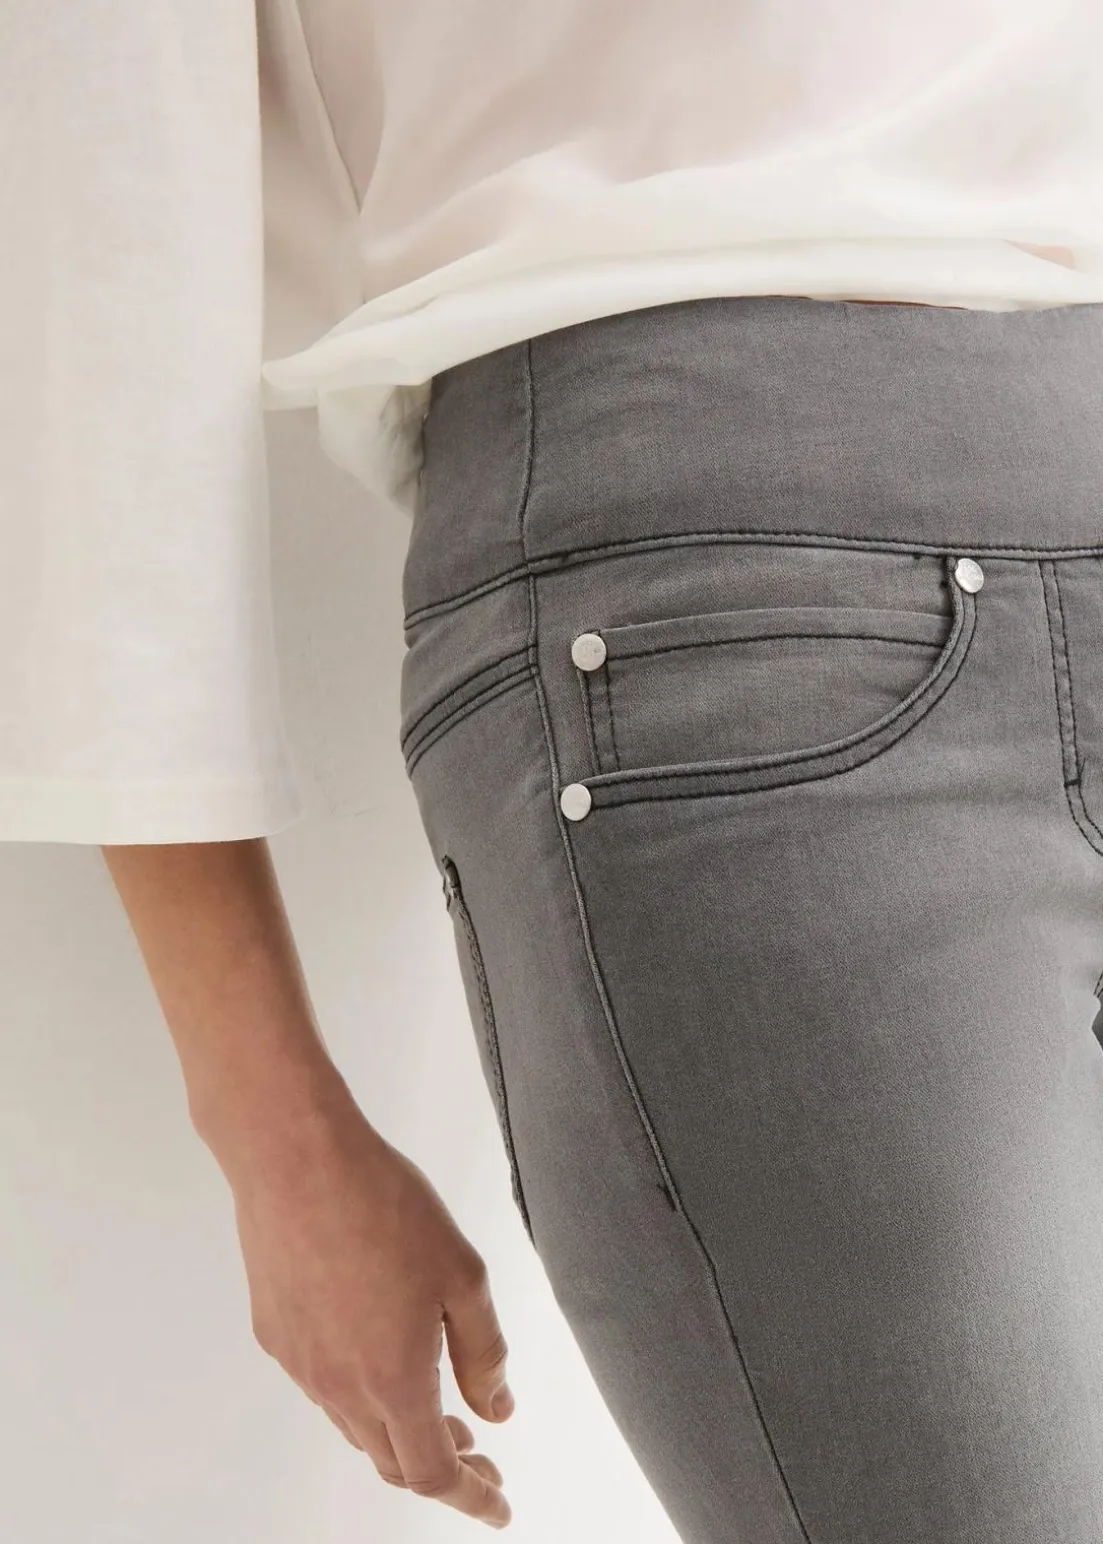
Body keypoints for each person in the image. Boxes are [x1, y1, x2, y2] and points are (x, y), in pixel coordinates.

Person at [6, 3, 1103, 1540]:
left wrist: (273, 1137)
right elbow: (100, 307)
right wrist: (274, 1131)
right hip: (741, 593)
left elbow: (100, 312)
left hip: (734, 586)